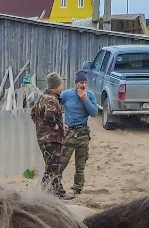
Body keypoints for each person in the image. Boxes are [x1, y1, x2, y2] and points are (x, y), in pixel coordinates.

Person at [58, 69, 100, 198]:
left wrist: (85, 100)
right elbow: (54, 106)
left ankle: (77, 190)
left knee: (80, 165)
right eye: (81, 82)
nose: (83, 85)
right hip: (69, 132)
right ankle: (56, 187)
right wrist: (60, 122)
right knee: (61, 162)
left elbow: (94, 113)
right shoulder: (66, 95)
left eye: (85, 82)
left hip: (83, 132)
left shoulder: (90, 95)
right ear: (76, 83)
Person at [29, 73, 68, 198]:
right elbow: (49, 115)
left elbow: (33, 114)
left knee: (52, 166)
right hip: (52, 139)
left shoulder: (41, 98)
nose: (61, 87)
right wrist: (55, 127)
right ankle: (51, 192)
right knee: (53, 166)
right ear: (56, 85)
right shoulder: (51, 99)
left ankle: (54, 191)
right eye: (60, 84)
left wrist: (41, 127)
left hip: (44, 138)